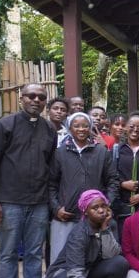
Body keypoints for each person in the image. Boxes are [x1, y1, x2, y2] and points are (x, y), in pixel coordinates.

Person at [0, 83, 56, 278]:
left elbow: (50, 167)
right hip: (9, 201)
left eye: (41, 97)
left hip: (39, 202)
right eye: (31, 96)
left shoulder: (49, 129)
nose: (36, 100)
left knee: (35, 253)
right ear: (21, 98)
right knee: (8, 253)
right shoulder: (4, 126)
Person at [45, 190, 128, 278]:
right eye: (95, 208)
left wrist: (105, 229)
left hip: (87, 272)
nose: (101, 210)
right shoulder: (79, 234)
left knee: (120, 263)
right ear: (85, 212)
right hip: (63, 276)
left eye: (104, 206)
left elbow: (111, 254)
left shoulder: (108, 224)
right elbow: (75, 271)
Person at [48, 112, 119, 264]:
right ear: (69, 128)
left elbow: (113, 181)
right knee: (60, 261)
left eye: (85, 126)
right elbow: (51, 184)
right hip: (65, 216)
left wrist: (106, 205)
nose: (81, 129)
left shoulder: (101, 151)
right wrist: (56, 208)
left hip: (94, 219)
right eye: (77, 126)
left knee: (92, 260)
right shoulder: (59, 153)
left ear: (90, 128)